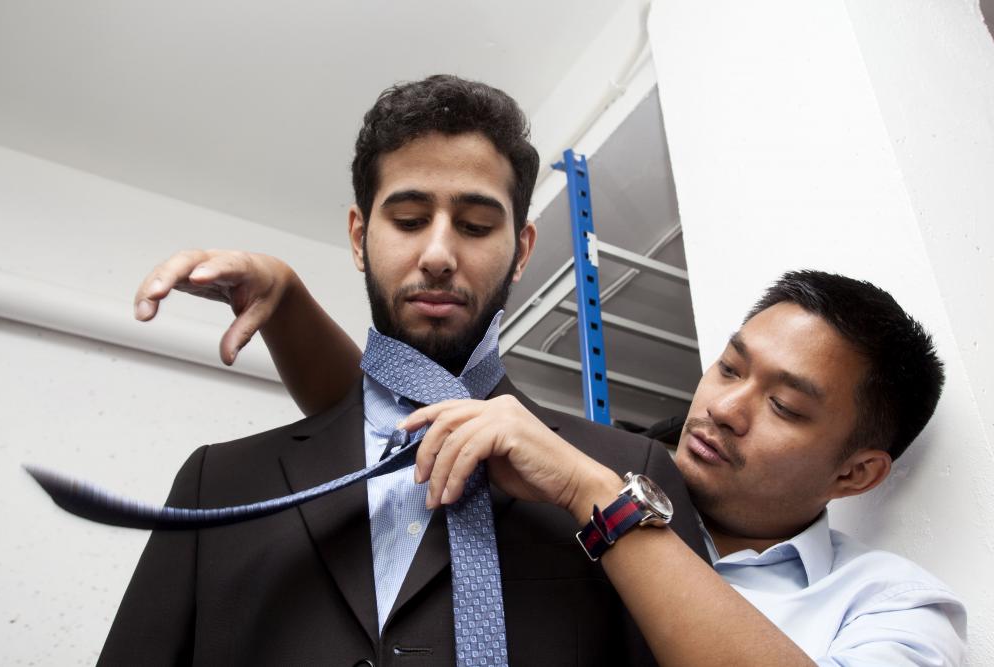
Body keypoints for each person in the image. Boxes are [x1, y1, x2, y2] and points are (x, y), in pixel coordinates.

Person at [101, 75, 710, 666]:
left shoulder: (627, 478)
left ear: (522, 250)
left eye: (475, 226)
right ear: (360, 237)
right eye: (410, 220)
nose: (440, 255)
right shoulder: (220, 482)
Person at [138, 246, 969, 665]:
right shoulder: (569, 494)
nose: (725, 407)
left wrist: (593, 494)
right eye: (729, 366)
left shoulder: (890, 607)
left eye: (785, 405)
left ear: (857, 472)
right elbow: (401, 428)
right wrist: (287, 306)